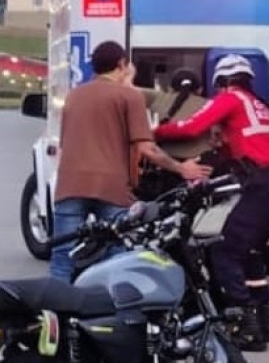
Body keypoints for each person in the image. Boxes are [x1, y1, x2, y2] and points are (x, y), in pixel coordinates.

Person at [153, 53, 269, 352]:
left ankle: (244, 325)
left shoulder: (231, 98)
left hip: (266, 183)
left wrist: (152, 134)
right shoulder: (261, 106)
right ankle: (265, 320)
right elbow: (244, 146)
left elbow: (191, 128)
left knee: (225, 251)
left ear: (221, 81)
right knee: (250, 250)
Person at [49, 41, 212, 281]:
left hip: (70, 185)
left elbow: (65, 147)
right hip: (111, 189)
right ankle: (111, 310)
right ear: (122, 64)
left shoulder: (74, 96)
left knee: (63, 256)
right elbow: (147, 148)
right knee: (117, 256)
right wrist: (181, 168)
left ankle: (53, 312)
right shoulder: (129, 96)